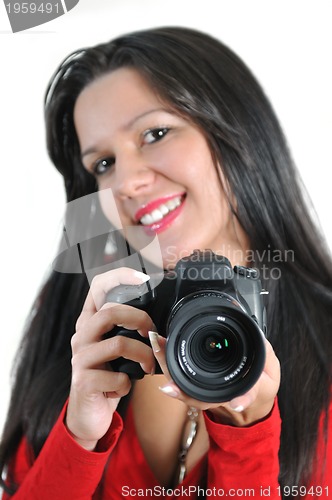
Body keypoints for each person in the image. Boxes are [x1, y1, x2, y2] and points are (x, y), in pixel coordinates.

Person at [0, 26, 331, 499]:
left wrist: (247, 434)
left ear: (237, 133)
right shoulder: (83, 342)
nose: (127, 183)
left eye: (155, 133)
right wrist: (78, 436)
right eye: (103, 164)